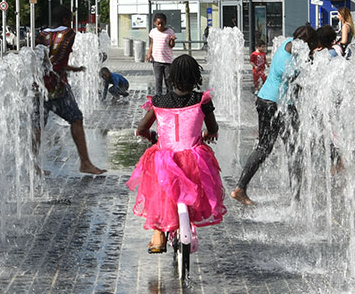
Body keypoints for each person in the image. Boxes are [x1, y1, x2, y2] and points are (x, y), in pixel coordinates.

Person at [128, 54, 225, 254]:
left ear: (170, 77)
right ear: (196, 76)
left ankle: (158, 234)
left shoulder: (159, 101)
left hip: (165, 158)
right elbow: (213, 128)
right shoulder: (201, 101)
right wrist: (208, 135)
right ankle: (187, 219)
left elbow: (141, 128)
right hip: (195, 159)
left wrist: (151, 136)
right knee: (197, 187)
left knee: (159, 190)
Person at [232, 27, 310, 206]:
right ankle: (297, 200)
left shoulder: (288, 43)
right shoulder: (289, 63)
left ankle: (240, 188)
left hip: (265, 100)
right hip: (279, 105)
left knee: (264, 147)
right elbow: (297, 78)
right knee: (294, 150)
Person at [34, 27, 106, 175]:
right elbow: (55, 63)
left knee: (37, 126)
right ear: (65, 20)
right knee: (76, 118)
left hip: (39, 87)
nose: (72, 50)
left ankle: (33, 167)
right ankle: (85, 163)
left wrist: (73, 68)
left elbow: (48, 63)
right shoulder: (67, 35)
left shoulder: (42, 35)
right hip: (56, 89)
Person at [147, 13, 175, 94]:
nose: (160, 26)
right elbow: (152, 43)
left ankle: (170, 95)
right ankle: (158, 96)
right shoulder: (153, 32)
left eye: (162, 24)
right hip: (156, 60)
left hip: (167, 60)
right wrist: (149, 53)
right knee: (158, 79)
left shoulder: (170, 32)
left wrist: (172, 40)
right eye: (158, 24)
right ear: (155, 23)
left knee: (168, 79)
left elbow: (171, 45)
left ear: (165, 23)